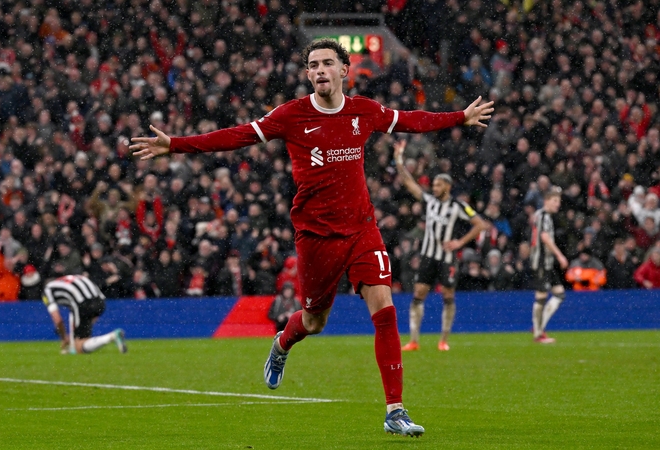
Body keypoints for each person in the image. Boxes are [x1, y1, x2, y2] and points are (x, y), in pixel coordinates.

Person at [131, 38, 493, 437]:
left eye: (327, 63)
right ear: (308, 74)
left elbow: (411, 119)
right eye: (314, 65)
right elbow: (237, 136)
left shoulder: (363, 111)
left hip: (362, 229)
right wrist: (176, 145)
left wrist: (460, 117)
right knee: (314, 320)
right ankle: (282, 344)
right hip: (316, 236)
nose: (320, 70)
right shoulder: (291, 115)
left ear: (344, 70)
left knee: (385, 310)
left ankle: (395, 410)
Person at [395, 143, 491, 352]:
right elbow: (409, 183)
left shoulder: (458, 206)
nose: (434, 188)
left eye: (438, 185)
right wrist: (399, 160)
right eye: (434, 185)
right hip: (428, 256)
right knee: (418, 294)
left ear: (447, 186)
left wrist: (459, 242)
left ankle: (443, 340)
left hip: (447, 258)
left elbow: (480, 224)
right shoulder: (429, 201)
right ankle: (414, 340)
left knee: (448, 296)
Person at [42, 274, 127, 354]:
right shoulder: (70, 278)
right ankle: (73, 347)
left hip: (83, 304)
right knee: (83, 338)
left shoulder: (47, 290)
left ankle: (112, 336)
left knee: (79, 346)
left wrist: (64, 337)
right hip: (100, 302)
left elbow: (58, 320)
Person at [529, 189, 569, 344]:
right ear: (546, 201)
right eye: (555, 201)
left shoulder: (543, 216)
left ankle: (538, 326)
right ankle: (538, 334)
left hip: (547, 263)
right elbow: (544, 237)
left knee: (559, 294)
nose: (558, 204)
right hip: (540, 262)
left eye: (559, 201)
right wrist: (560, 255)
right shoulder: (543, 216)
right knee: (541, 296)